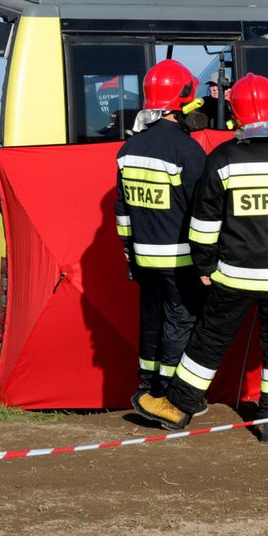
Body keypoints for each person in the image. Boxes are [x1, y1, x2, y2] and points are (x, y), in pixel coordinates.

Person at [136, 73, 268, 444]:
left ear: (235, 115)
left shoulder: (222, 159)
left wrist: (204, 265)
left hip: (234, 275)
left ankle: (178, 407)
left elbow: (204, 222)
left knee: (209, 340)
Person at [116, 59, 209, 420]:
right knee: (179, 322)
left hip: (142, 255)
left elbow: (122, 210)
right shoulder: (188, 151)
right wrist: (206, 259)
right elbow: (201, 211)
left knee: (151, 321)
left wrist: (129, 251)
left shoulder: (129, 149)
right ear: (182, 101)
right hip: (179, 258)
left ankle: (147, 386)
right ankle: (170, 396)